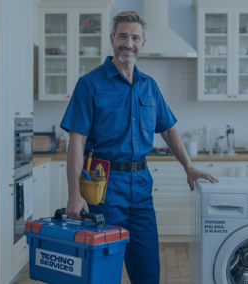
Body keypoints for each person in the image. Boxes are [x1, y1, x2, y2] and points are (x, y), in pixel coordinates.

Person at [60, 11, 219, 283]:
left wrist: (189, 167)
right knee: (101, 273)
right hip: (103, 188)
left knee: (148, 272)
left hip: (142, 189)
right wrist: (74, 194)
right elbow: (77, 143)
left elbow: (168, 129)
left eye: (135, 37)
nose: (128, 43)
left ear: (143, 44)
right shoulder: (89, 84)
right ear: (112, 39)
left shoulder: (150, 87)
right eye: (123, 35)